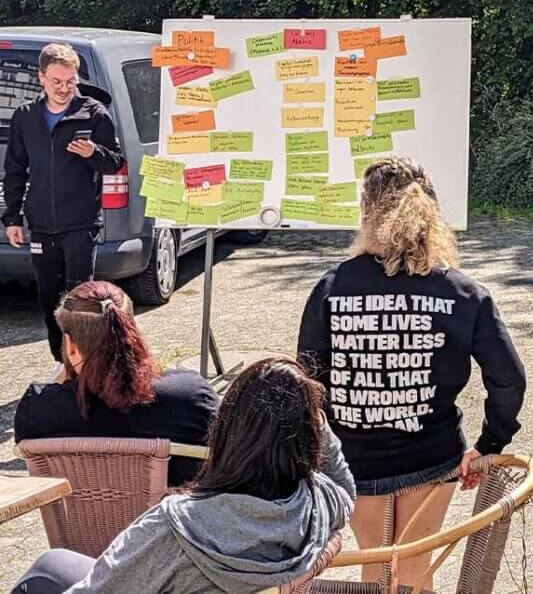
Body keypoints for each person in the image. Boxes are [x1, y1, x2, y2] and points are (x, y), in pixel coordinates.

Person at [296, 156, 526, 589]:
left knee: (375, 566)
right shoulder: (464, 293)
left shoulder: (331, 288)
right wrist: (489, 443)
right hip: (432, 455)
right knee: (415, 564)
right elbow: (509, 377)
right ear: (431, 212)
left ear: (366, 213)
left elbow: (308, 381)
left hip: (353, 458)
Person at [12, 357, 357, 593]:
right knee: (55, 561)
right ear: (309, 442)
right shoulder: (315, 505)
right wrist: (310, 414)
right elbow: (345, 487)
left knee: (43, 574)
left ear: (226, 433)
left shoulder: (177, 529)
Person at [13, 280, 218, 486]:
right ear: (130, 332)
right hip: (172, 518)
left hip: (80, 518)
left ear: (70, 346)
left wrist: (68, 368)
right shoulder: (191, 399)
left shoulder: (37, 410)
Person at [2, 43, 123, 366]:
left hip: (80, 224)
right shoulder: (25, 117)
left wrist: (93, 154)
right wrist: (11, 218)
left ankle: (87, 364)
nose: (64, 88)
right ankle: (62, 362)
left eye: (70, 81)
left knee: (81, 301)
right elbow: (14, 169)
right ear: (41, 78)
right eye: (57, 81)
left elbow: (115, 162)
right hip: (41, 224)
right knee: (48, 299)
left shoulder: (93, 113)